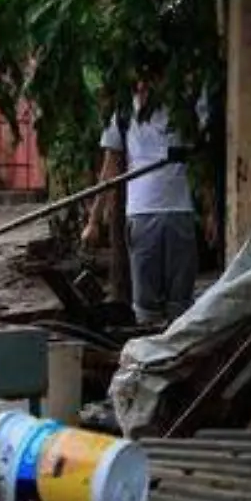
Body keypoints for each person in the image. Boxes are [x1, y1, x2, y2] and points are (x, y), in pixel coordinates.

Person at [81, 64, 198, 325]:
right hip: (142, 215)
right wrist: (93, 221)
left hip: (180, 212)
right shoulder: (123, 115)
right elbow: (108, 170)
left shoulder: (180, 113)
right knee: (146, 304)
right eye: (138, 82)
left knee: (181, 302)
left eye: (151, 79)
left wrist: (211, 211)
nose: (144, 87)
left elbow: (197, 163)